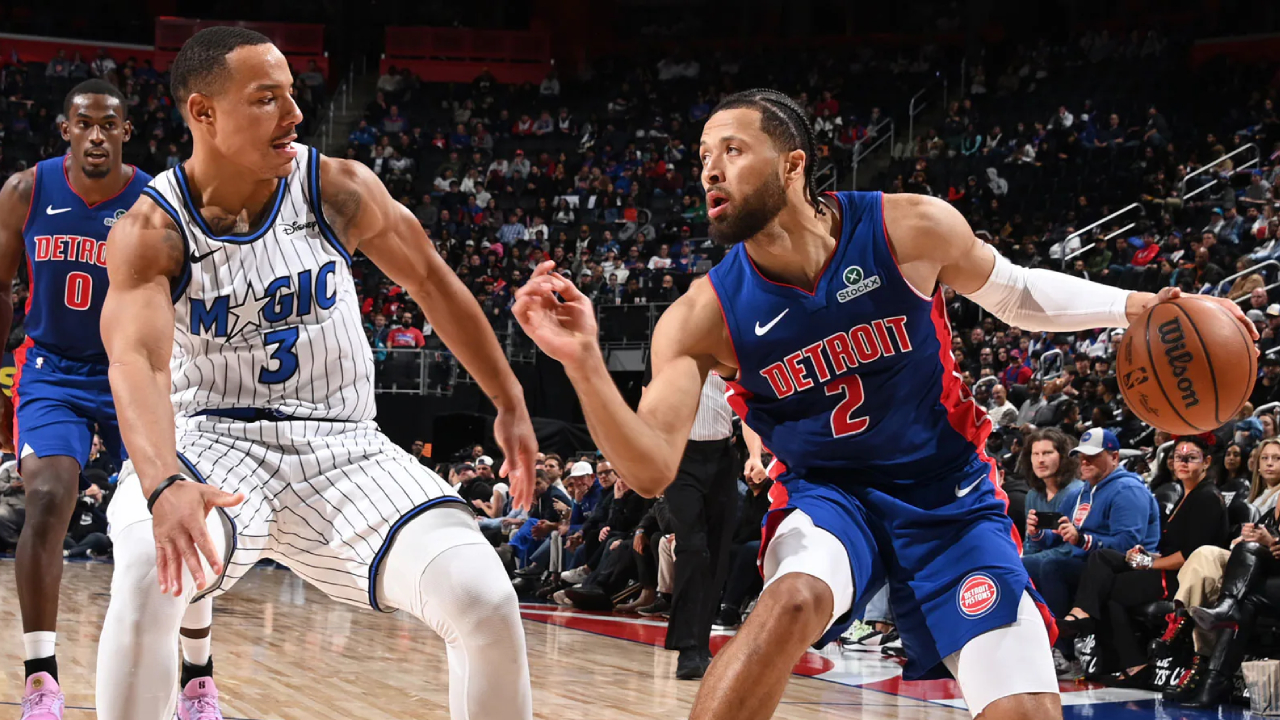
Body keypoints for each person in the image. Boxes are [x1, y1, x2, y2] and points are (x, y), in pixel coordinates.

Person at [512, 87, 1256, 720]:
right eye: (703, 153)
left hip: (951, 496)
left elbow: (1019, 294)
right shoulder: (701, 316)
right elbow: (647, 470)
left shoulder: (908, 226)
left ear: (793, 164)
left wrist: (1137, 305)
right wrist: (582, 363)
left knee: (1025, 708)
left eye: (732, 149)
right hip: (831, 499)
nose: (708, 166)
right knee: (793, 600)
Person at [94, 28, 536, 720]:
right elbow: (136, 362)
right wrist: (163, 482)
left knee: (484, 598)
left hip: (346, 448)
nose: (294, 115)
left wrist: (507, 398)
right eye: (267, 99)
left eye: (292, 96)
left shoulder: (338, 188)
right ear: (203, 114)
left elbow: (430, 279)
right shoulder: (153, 230)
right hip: (213, 442)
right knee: (152, 574)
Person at [0, 79, 223, 720]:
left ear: (126, 132)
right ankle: (41, 680)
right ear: (65, 130)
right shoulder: (26, 191)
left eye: (109, 124)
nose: (96, 134)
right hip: (51, 367)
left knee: (183, 510)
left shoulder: (156, 200)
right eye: (84, 123)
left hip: (138, 371)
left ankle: (197, 677)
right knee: (45, 498)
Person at [1060, 435, 1227, 686]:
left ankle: (1132, 662)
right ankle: (1082, 614)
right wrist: (1146, 556)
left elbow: (1189, 556)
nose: (1182, 463)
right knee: (1102, 557)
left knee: (1110, 589)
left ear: (1207, 462)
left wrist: (1149, 564)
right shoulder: (1187, 494)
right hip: (1169, 569)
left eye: (1190, 458)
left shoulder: (1206, 498)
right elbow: (1174, 549)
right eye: (1178, 458)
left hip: (1187, 578)